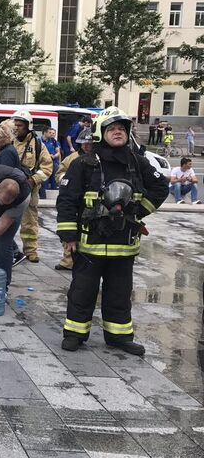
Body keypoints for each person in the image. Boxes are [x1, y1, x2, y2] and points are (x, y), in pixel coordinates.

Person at [57, 107, 168, 356]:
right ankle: (75, 333)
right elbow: (66, 200)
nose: (118, 132)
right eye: (112, 129)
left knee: (119, 293)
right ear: (100, 133)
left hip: (124, 242)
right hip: (89, 243)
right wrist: (68, 235)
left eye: (121, 129)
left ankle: (119, 337)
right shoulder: (84, 164)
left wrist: (139, 211)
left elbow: (161, 186)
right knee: (82, 291)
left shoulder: (138, 163)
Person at [12, 110, 53, 263]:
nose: (17, 128)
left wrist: (33, 180)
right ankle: (6, 249)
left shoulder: (37, 144)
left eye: (20, 125)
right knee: (4, 219)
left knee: (29, 220)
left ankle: (30, 251)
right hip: (10, 188)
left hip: (29, 188)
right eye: (15, 124)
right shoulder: (9, 141)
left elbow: (47, 168)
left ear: (28, 126)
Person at [54, 130, 94, 271]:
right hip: (72, 197)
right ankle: (67, 261)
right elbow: (59, 173)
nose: (88, 146)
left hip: (88, 201)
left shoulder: (98, 159)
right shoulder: (72, 158)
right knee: (69, 229)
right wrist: (67, 180)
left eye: (90, 143)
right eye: (85, 143)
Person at [41, 127, 61, 193]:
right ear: (45, 133)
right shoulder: (39, 141)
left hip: (53, 162)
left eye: (52, 133)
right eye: (49, 133)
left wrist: (54, 156)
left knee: (55, 178)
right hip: (43, 163)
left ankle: (54, 191)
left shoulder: (54, 141)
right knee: (45, 179)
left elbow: (58, 152)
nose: (51, 134)